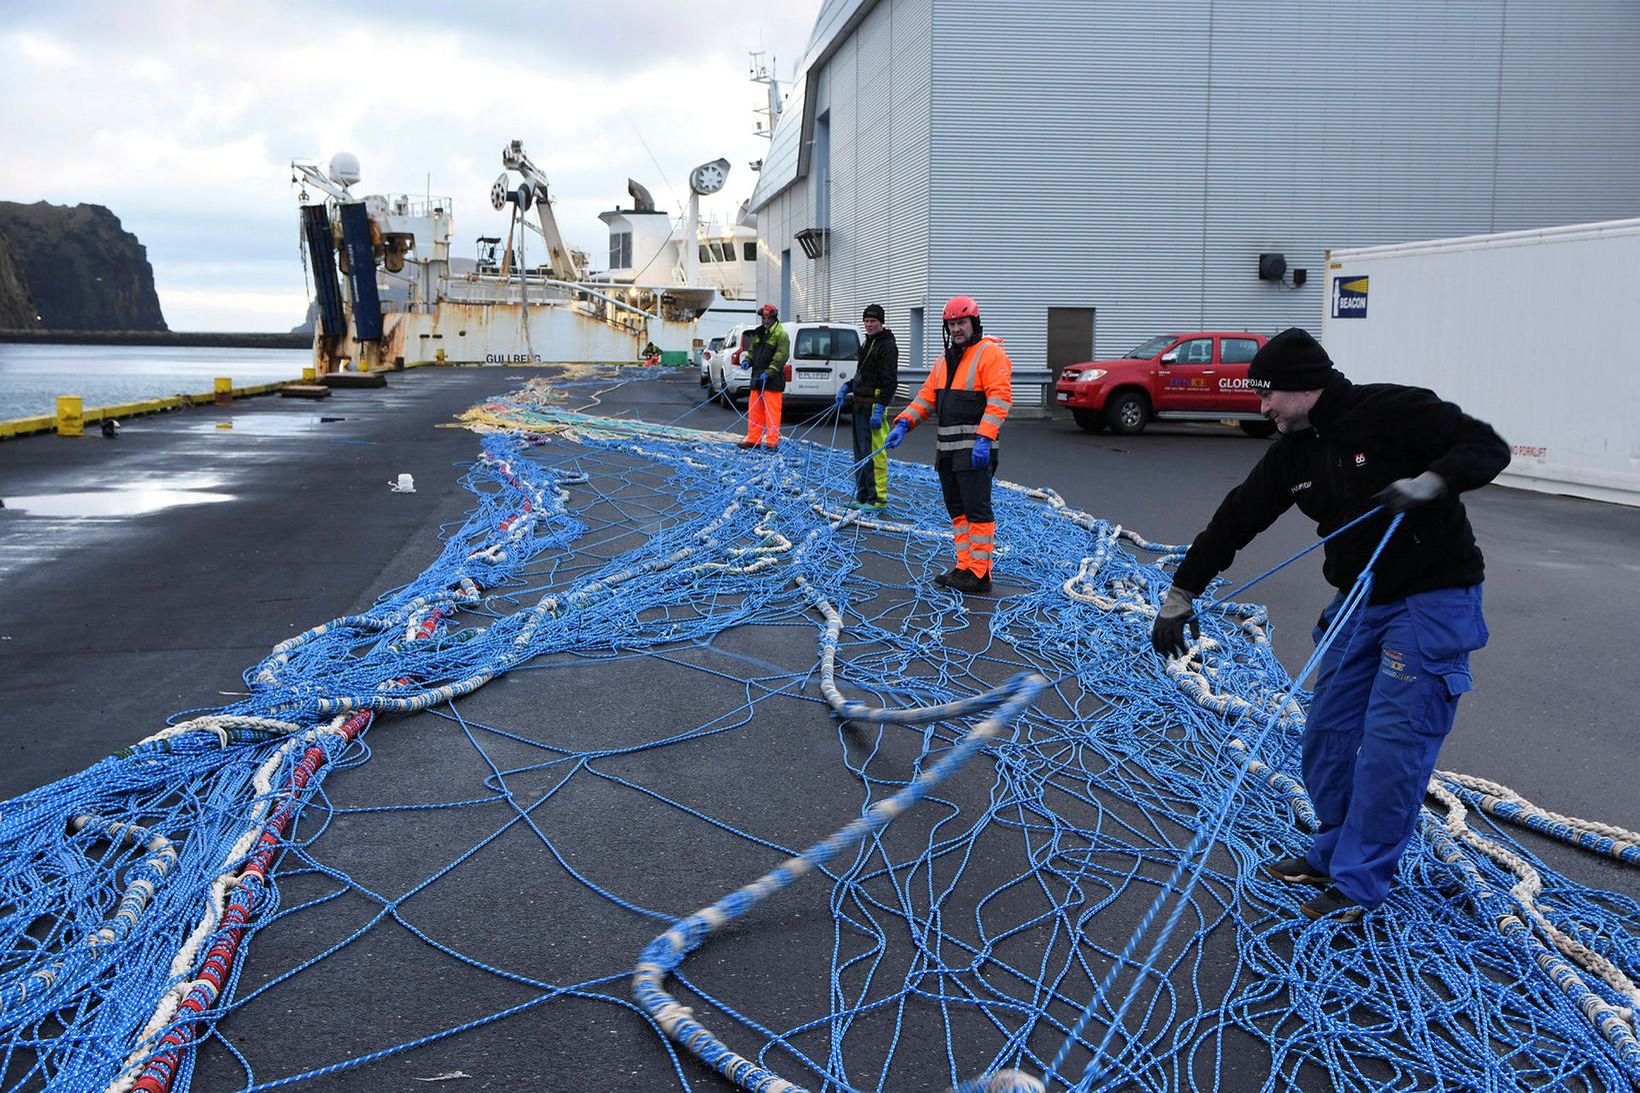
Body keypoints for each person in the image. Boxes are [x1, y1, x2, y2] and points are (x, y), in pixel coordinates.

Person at [1149, 327, 1509, 923]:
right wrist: (1183, 589)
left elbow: (1485, 445)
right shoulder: (1294, 450)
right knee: (1328, 733)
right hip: (1358, 600)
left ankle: (1360, 881)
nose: (1261, 407)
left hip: (1431, 598)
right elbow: (1237, 517)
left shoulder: (1394, 410)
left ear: (1305, 388)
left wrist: (1434, 480)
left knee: (1394, 747)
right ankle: (1333, 850)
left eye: (1269, 396)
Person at [884, 295, 1013, 594]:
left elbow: (999, 400)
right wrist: (904, 423)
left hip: (975, 452)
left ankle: (980, 574)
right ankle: (964, 566)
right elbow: (927, 397)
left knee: (977, 511)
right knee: (957, 511)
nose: (956, 329)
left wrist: (984, 438)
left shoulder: (990, 355)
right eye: (952, 324)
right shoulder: (944, 360)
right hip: (948, 452)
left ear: (974, 323)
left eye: (961, 323)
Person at [835, 303, 900, 509]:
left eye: (873, 321)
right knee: (860, 453)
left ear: (881, 322)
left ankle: (878, 498)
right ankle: (862, 495)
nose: (869, 324)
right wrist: (847, 387)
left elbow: (890, 381)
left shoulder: (887, 345)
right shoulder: (867, 344)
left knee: (874, 454)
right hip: (860, 405)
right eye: (867, 321)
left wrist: (881, 407)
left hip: (873, 407)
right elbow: (863, 374)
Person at [740, 305, 789, 450]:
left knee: (772, 412)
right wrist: (747, 361)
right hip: (757, 379)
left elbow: (781, 356)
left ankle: (771, 442)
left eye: (768, 318)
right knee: (755, 410)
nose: (766, 321)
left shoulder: (781, 335)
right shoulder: (759, 333)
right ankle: (753, 439)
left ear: (774, 318)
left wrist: (769, 372)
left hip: (772, 380)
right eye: (764, 318)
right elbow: (752, 351)